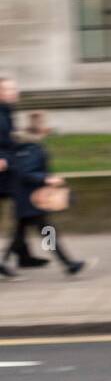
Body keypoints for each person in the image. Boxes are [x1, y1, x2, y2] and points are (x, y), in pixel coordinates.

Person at [4, 111, 88, 276]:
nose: (49, 128)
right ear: (41, 129)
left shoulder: (27, 146)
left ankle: (4, 262)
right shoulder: (32, 148)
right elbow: (26, 173)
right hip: (31, 199)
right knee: (47, 231)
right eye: (46, 125)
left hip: (26, 198)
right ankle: (68, 263)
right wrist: (47, 179)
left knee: (19, 236)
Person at [1, 77, 22, 279]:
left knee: (27, 218)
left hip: (14, 174)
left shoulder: (7, 112)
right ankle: (67, 262)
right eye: (8, 89)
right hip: (7, 176)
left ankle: (19, 256)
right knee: (40, 220)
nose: (14, 92)